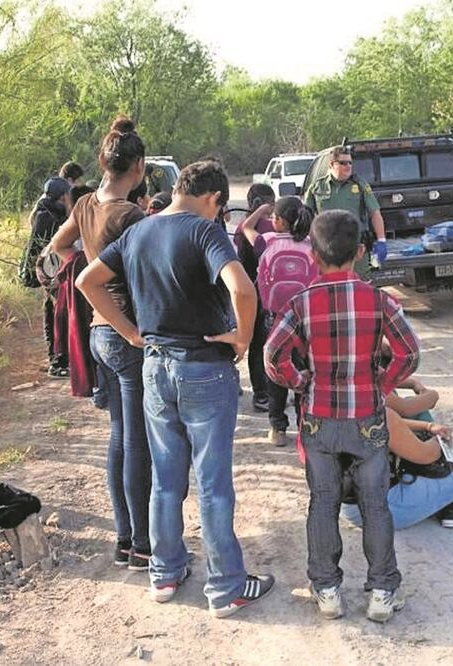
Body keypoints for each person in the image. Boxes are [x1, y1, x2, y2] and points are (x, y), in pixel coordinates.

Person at [77, 159, 275, 618]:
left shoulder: (139, 230)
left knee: (166, 479)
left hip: (154, 367)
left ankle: (165, 572)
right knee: (212, 482)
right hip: (204, 368)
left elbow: (88, 281)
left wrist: (129, 332)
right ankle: (226, 586)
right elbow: (243, 290)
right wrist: (243, 337)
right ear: (214, 199)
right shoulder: (205, 232)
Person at [265, 210, 421, 623]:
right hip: (367, 417)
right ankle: (383, 592)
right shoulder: (380, 300)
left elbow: (272, 355)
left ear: (313, 254)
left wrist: (300, 382)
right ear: (361, 252)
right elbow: (410, 353)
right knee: (375, 504)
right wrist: (383, 385)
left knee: (323, 502)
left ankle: (328, 590)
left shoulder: (300, 304)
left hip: (319, 417)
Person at [46, 116, 153, 567]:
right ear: (140, 167)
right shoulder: (129, 215)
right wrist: (132, 325)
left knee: (119, 438)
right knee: (137, 443)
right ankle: (141, 544)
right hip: (124, 331)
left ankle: (124, 538)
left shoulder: (86, 203)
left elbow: (57, 247)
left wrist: (88, 262)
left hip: (96, 332)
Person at [239, 196, 318, 447]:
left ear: (280, 221)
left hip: (274, 319)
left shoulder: (267, 241)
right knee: (305, 371)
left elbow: (245, 228)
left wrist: (260, 209)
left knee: (276, 370)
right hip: (306, 319)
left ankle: (277, 427)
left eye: (273, 217)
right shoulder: (312, 245)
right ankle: (306, 427)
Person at [303, 146, 387, 279]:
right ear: (331, 164)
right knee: (329, 286)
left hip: (355, 247)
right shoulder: (316, 187)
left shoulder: (360, 185)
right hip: (327, 248)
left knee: (360, 284)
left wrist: (381, 240)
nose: (348, 166)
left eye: (350, 163)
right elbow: (306, 217)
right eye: (343, 163)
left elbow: (375, 213)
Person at [22, 176, 73, 378]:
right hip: (52, 273)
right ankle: (57, 360)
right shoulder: (48, 215)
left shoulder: (46, 211)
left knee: (55, 314)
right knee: (55, 315)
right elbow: (38, 248)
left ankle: (59, 358)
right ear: (62, 196)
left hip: (52, 273)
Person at [234, 183, 276, 413]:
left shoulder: (243, 228)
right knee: (265, 343)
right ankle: (266, 392)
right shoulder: (269, 228)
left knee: (256, 344)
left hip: (249, 290)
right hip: (266, 294)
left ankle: (261, 393)